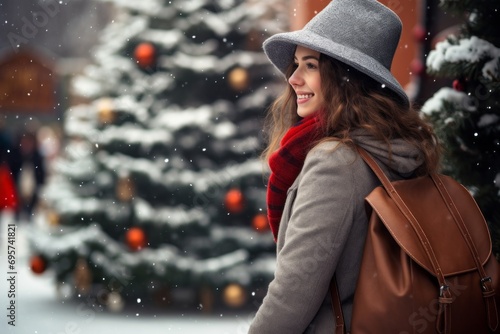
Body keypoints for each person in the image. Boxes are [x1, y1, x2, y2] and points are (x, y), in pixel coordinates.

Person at [248, 0, 441, 333]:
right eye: (295, 64)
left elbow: (294, 293)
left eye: (310, 65)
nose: (293, 78)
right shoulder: (396, 150)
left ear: (346, 77)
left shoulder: (336, 162)